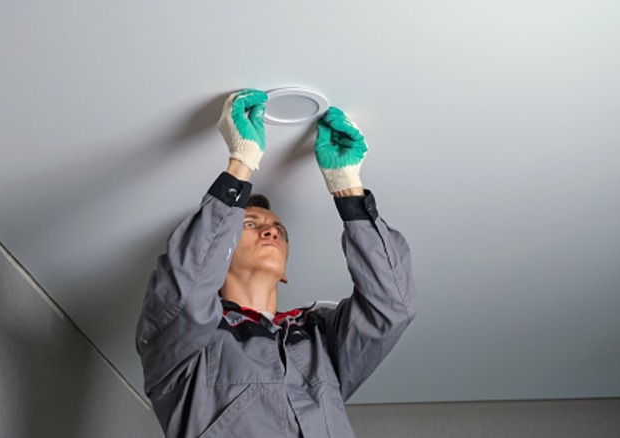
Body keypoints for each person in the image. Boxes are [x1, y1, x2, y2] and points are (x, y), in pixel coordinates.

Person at [136, 89, 416, 438]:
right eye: (250, 224)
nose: (269, 230)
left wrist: (347, 187)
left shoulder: (320, 340)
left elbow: (391, 307)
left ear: (285, 273)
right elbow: (186, 294)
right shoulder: (184, 345)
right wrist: (242, 161)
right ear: (221, 252)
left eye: (278, 229)